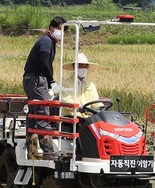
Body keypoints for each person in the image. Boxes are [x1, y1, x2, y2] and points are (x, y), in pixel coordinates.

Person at [23, 16, 65, 159]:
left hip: (34, 79)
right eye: (60, 29)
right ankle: (49, 152)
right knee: (42, 114)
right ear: (52, 28)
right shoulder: (46, 42)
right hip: (36, 79)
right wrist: (51, 82)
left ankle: (32, 150)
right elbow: (44, 63)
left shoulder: (49, 42)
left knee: (34, 114)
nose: (62, 33)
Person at [59, 52, 102, 118]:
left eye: (85, 66)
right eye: (80, 66)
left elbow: (95, 101)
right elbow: (66, 101)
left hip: (87, 118)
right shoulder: (65, 84)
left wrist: (101, 107)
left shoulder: (91, 85)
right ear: (74, 67)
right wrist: (78, 108)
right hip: (71, 117)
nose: (83, 69)